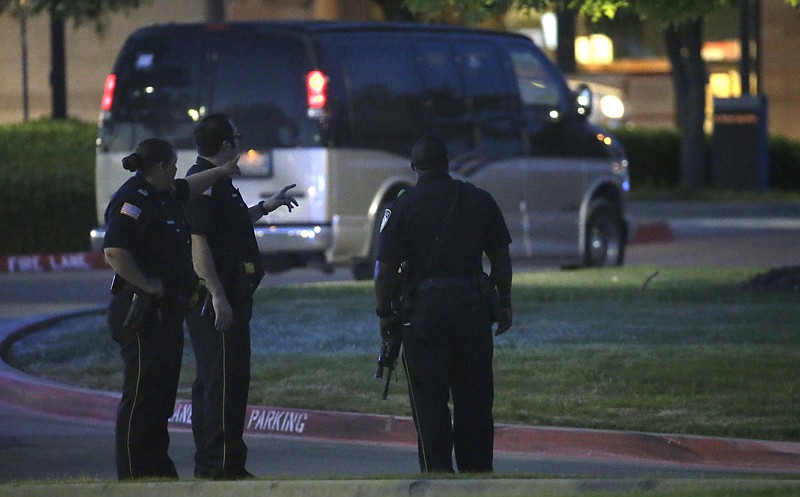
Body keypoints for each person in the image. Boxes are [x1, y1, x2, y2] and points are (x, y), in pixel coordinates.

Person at [103, 137, 241, 480]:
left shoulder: (162, 194)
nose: (177, 171)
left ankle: (155, 468)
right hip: (141, 312)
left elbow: (189, 187)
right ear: (162, 166)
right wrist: (147, 283)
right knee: (143, 395)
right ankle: (134, 472)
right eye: (174, 165)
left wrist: (222, 171)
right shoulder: (132, 199)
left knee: (161, 396)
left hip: (166, 312)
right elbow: (115, 251)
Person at [374, 135, 513, 474]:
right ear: (448, 161)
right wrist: (504, 303)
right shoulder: (479, 200)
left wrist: (385, 314)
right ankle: (477, 473)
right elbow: (501, 260)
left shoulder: (401, 207)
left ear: (413, 166)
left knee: (429, 400)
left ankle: (437, 476)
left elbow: (384, 272)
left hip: (422, 315)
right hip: (472, 310)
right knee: (475, 399)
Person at [183, 113, 298, 480]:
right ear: (226, 145)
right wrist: (218, 295)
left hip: (231, 294)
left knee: (221, 378)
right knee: (223, 381)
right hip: (218, 298)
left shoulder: (218, 183)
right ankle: (220, 466)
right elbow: (198, 243)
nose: (241, 143)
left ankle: (219, 462)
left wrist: (267, 206)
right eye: (238, 136)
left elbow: (228, 226)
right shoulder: (203, 184)